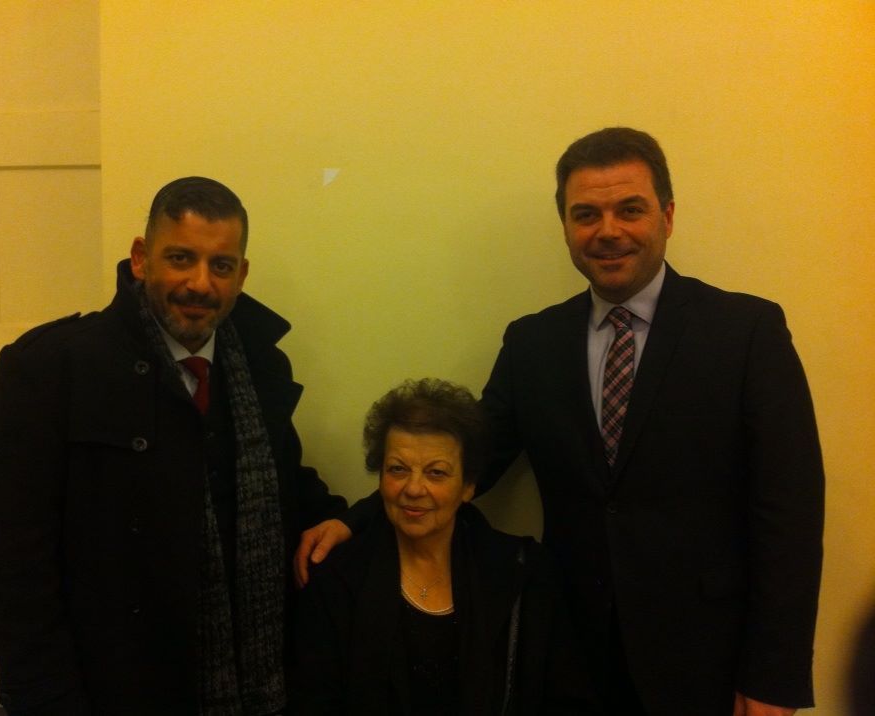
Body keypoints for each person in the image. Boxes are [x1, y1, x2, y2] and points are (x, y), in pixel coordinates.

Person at [295, 129, 825, 716]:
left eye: (630, 210)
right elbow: (470, 459)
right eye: (586, 214)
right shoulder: (533, 344)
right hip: (571, 655)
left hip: (706, 657)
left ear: (668, 216)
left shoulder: (746, 333)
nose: (608, 230)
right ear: (567, 228)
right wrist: (357, 520)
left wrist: (773, 677)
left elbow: (790, 514)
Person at [0, 177, 347, 715]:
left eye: (221, 265)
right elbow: (16, 565)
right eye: (180, 258)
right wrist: (45, 700)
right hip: (114, 687)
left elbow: (286, 482)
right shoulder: (50, 370)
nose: (200, 283)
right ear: (140, 258)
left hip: (257, 686)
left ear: (241, 275)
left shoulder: (261, 365)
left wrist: (344, 520)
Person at [294, 378, 594, 715]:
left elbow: (566, 699)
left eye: (436, 473)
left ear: (468, 486)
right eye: (398, 469)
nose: (413, 488)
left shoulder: (526, 573)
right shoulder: (336, 580)